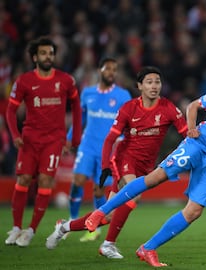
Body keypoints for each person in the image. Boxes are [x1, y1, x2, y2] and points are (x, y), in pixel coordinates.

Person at [84, 58, 206, 267]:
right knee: (154, 179)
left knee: (194, 211)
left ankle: (148, 248)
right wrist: (191, 128)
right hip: (198, 144)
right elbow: (193, 106)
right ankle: (100, 212)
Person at [45, 66, 188, 258]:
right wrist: (105, 166)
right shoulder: (129, 108)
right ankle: (108, 244)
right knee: (134, 196)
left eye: (157, 82)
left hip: (145, 167)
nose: (154, 86)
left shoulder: (169, 108)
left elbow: (187, 135)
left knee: (108, 215)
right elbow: (110, 139)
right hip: (124, 159)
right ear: (140, 86)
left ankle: (64, 227)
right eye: (149, 82)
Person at [5, 36, 82, 247]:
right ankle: (16, 228)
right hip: (29, 140)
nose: (48, 57)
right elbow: (10, 110)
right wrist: (15, 135)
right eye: (43, 53)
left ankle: (31, 230)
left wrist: (73, 138)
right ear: (34, 57)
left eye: (50, 53)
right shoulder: (24, 81)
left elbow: (76, 107)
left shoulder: (66, 80)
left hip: (53, 140)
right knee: (23, 180)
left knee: (46, 181)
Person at [66, 57, 131, 242]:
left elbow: (128, 122)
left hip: (108, 150)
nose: (111, 72)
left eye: (114, 69)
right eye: (108, 68)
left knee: (99, 190)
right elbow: (80, 119)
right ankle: (72, 219)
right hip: (88, 145)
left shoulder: (123, 95)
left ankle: (94, 228)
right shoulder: (87, 93)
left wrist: (124, 142)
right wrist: (70, 139)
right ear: (100, 70)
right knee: (77, 180)